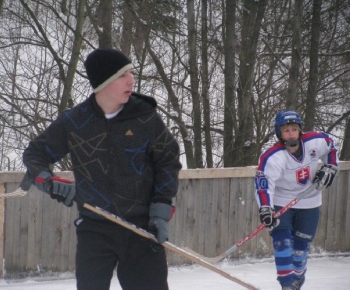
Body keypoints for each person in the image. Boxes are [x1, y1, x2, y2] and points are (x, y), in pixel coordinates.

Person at [23, 48, 182, 290]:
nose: (132, 80)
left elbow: (168, 160)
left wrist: (161, 207)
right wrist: (46, 180)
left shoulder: (145, 118)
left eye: (131, 73)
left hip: (142, 228)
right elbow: (35, 153)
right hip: (94, 228)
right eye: (123, 75)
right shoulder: (75, 121)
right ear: (104, 82)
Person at [254, 110, 339, 290]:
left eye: (294, 128)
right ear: (279, 133)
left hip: (310, 201)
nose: (291, 133)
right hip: (281, 202)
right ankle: (286, 285)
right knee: (282, 244)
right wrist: (266, 209)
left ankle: (298, 279)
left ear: (300, 130)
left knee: (300, 251)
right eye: (286, 130)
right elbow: (263, 185)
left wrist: (331, 166)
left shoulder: (315, 141)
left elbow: (331, 147)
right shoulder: (271, 157)